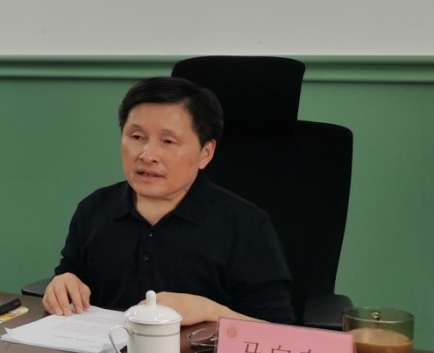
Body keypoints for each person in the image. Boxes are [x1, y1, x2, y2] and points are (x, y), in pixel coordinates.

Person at [42, 76, 295, 325]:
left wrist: (211, 311)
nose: (147, 155)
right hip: (104, 350)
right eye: (137, 137)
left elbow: (281, 335)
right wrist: (63, 283)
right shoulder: (94, 209)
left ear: (205, 153)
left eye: (168, 141)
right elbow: (70, 275)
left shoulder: (245, 225)